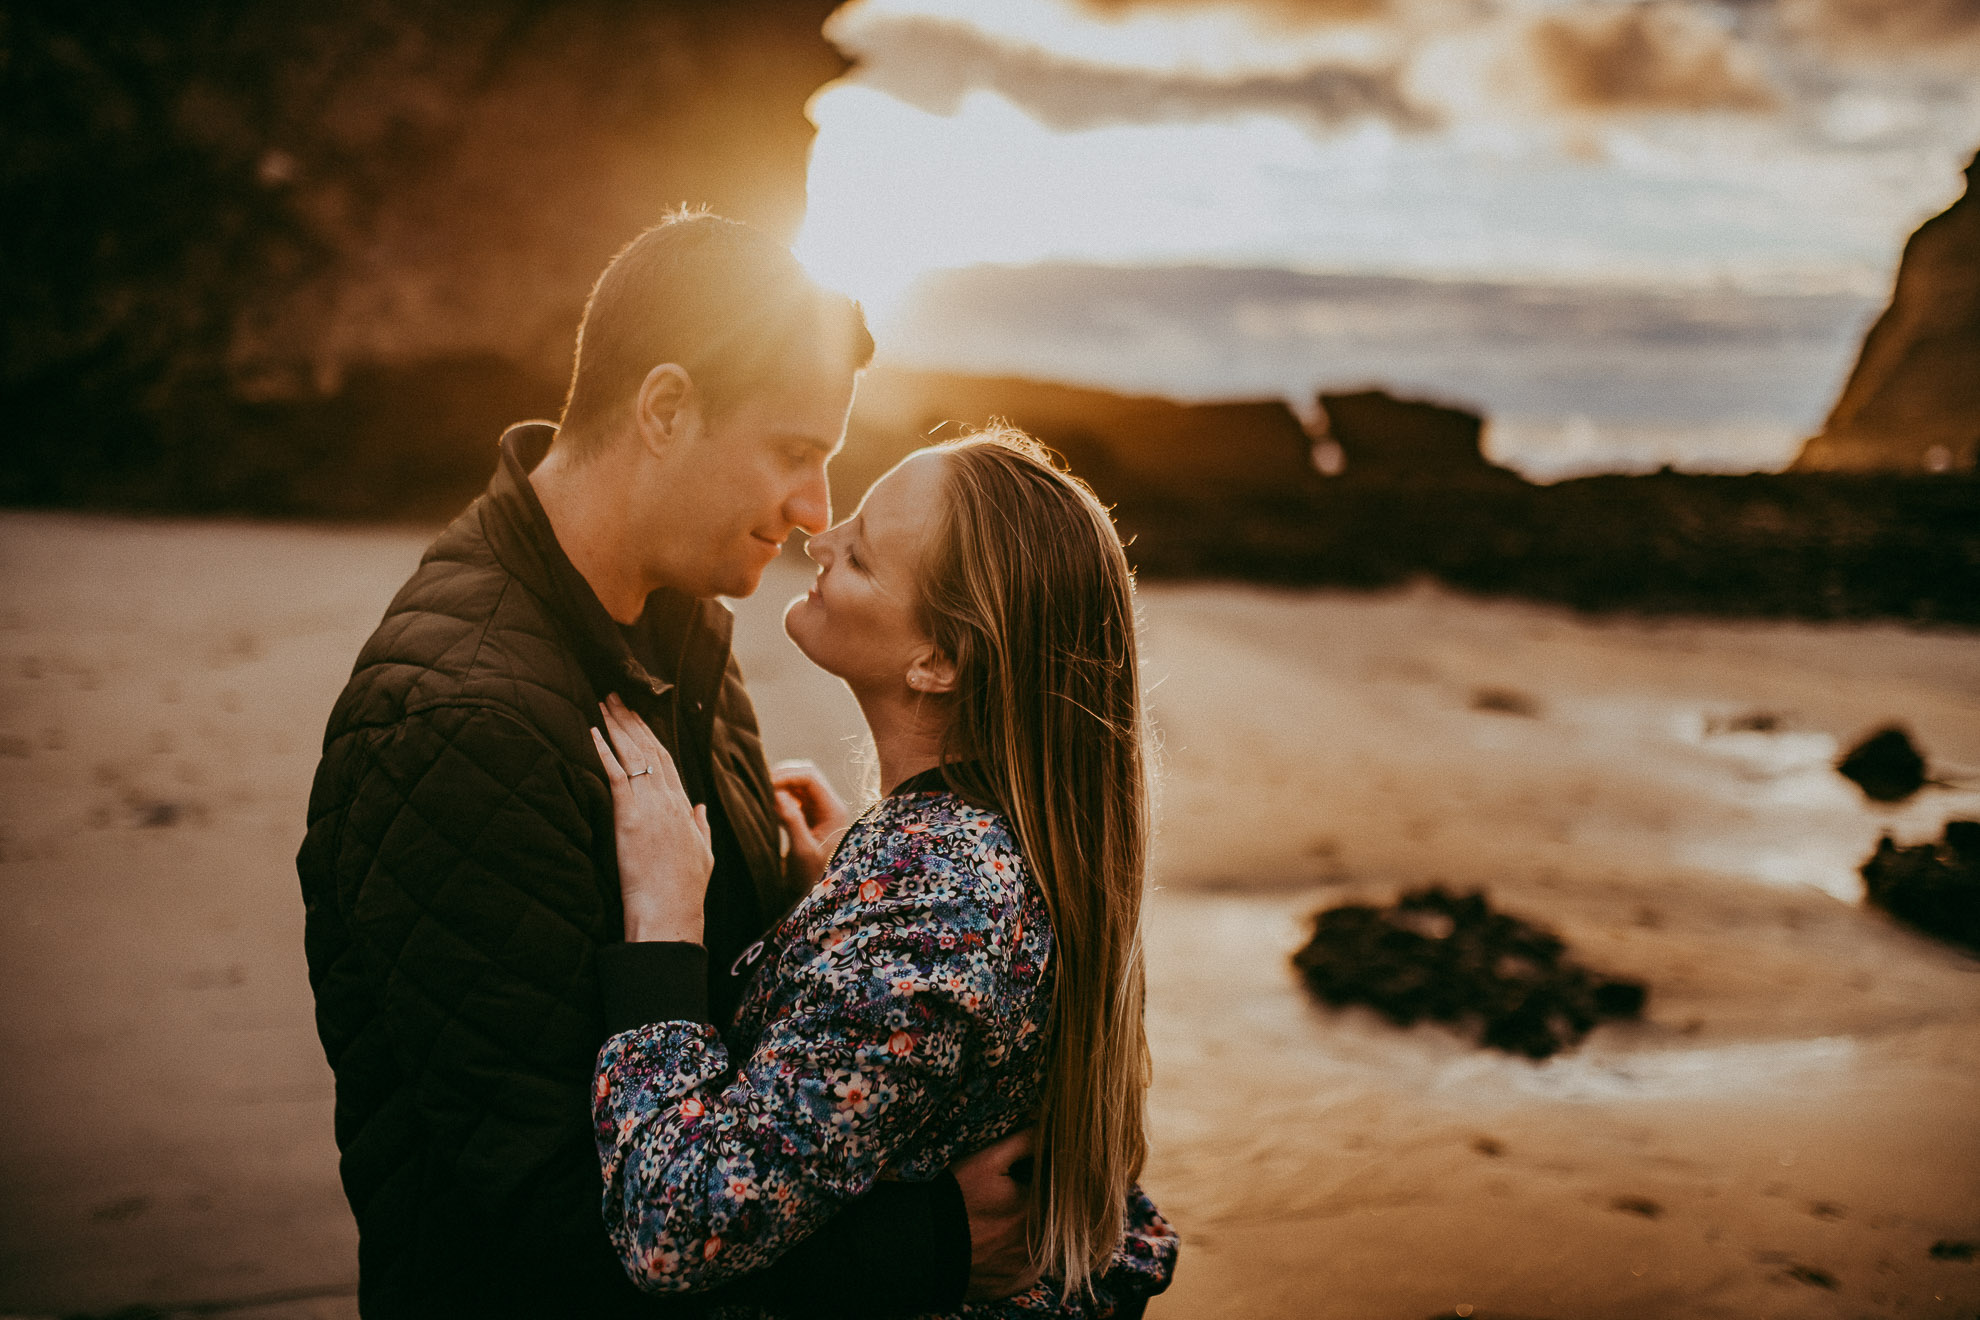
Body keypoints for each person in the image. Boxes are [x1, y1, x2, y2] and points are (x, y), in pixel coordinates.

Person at [296, 213, 1036, 1319]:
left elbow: (716, 1023)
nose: (813, 514)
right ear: (665, 410)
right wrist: (923, 1247)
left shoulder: (677, 619)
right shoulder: (453, 727)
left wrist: (820, 918)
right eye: (794, 452)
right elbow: (544, 1223)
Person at [588, 432, 1179, 1318]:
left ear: (937, 662)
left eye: (859, 552)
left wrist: (665, 935)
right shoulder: (990, 852)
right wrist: (830, 911)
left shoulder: (933, 903)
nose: (819, 534)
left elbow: (676, 1231)